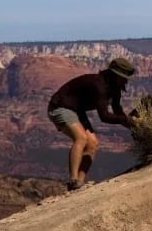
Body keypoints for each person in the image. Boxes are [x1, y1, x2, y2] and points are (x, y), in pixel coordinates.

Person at [48, 57, 136, 189]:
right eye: (124, 77)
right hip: (60, 107)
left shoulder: (115, 87)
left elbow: (117, 111)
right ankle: (73, 180)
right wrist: (128, 120)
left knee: (93, 143)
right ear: (115, 75)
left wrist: (134, 126)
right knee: (81, 138)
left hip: (77, 110)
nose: (126, 81)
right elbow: (104, 116)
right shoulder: (99, 85)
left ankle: (80, 182)